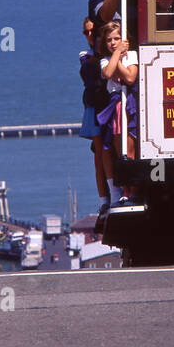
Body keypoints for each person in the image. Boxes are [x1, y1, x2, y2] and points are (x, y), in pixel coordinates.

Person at [94, 20, 140, 204]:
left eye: (117, 39)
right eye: (109, 40)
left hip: (128, 103)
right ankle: (123, 189)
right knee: (117, 149)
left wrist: (119, 57)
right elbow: (108, 73)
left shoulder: (133, 55)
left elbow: (130, 77)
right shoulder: (105, 60)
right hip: (114, 106)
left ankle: (133, 190)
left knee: (130, 150)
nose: (113, 42)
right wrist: (117, 53)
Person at [78, 18, 110, 215]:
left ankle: (113, 193)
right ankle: (103, 199)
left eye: (93, 32)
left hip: (107, 104)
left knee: (108, 151)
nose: (90, 36)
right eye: (86, 33)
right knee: (99, 155)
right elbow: (93, 69)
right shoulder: (86, 56)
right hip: (95, 107)